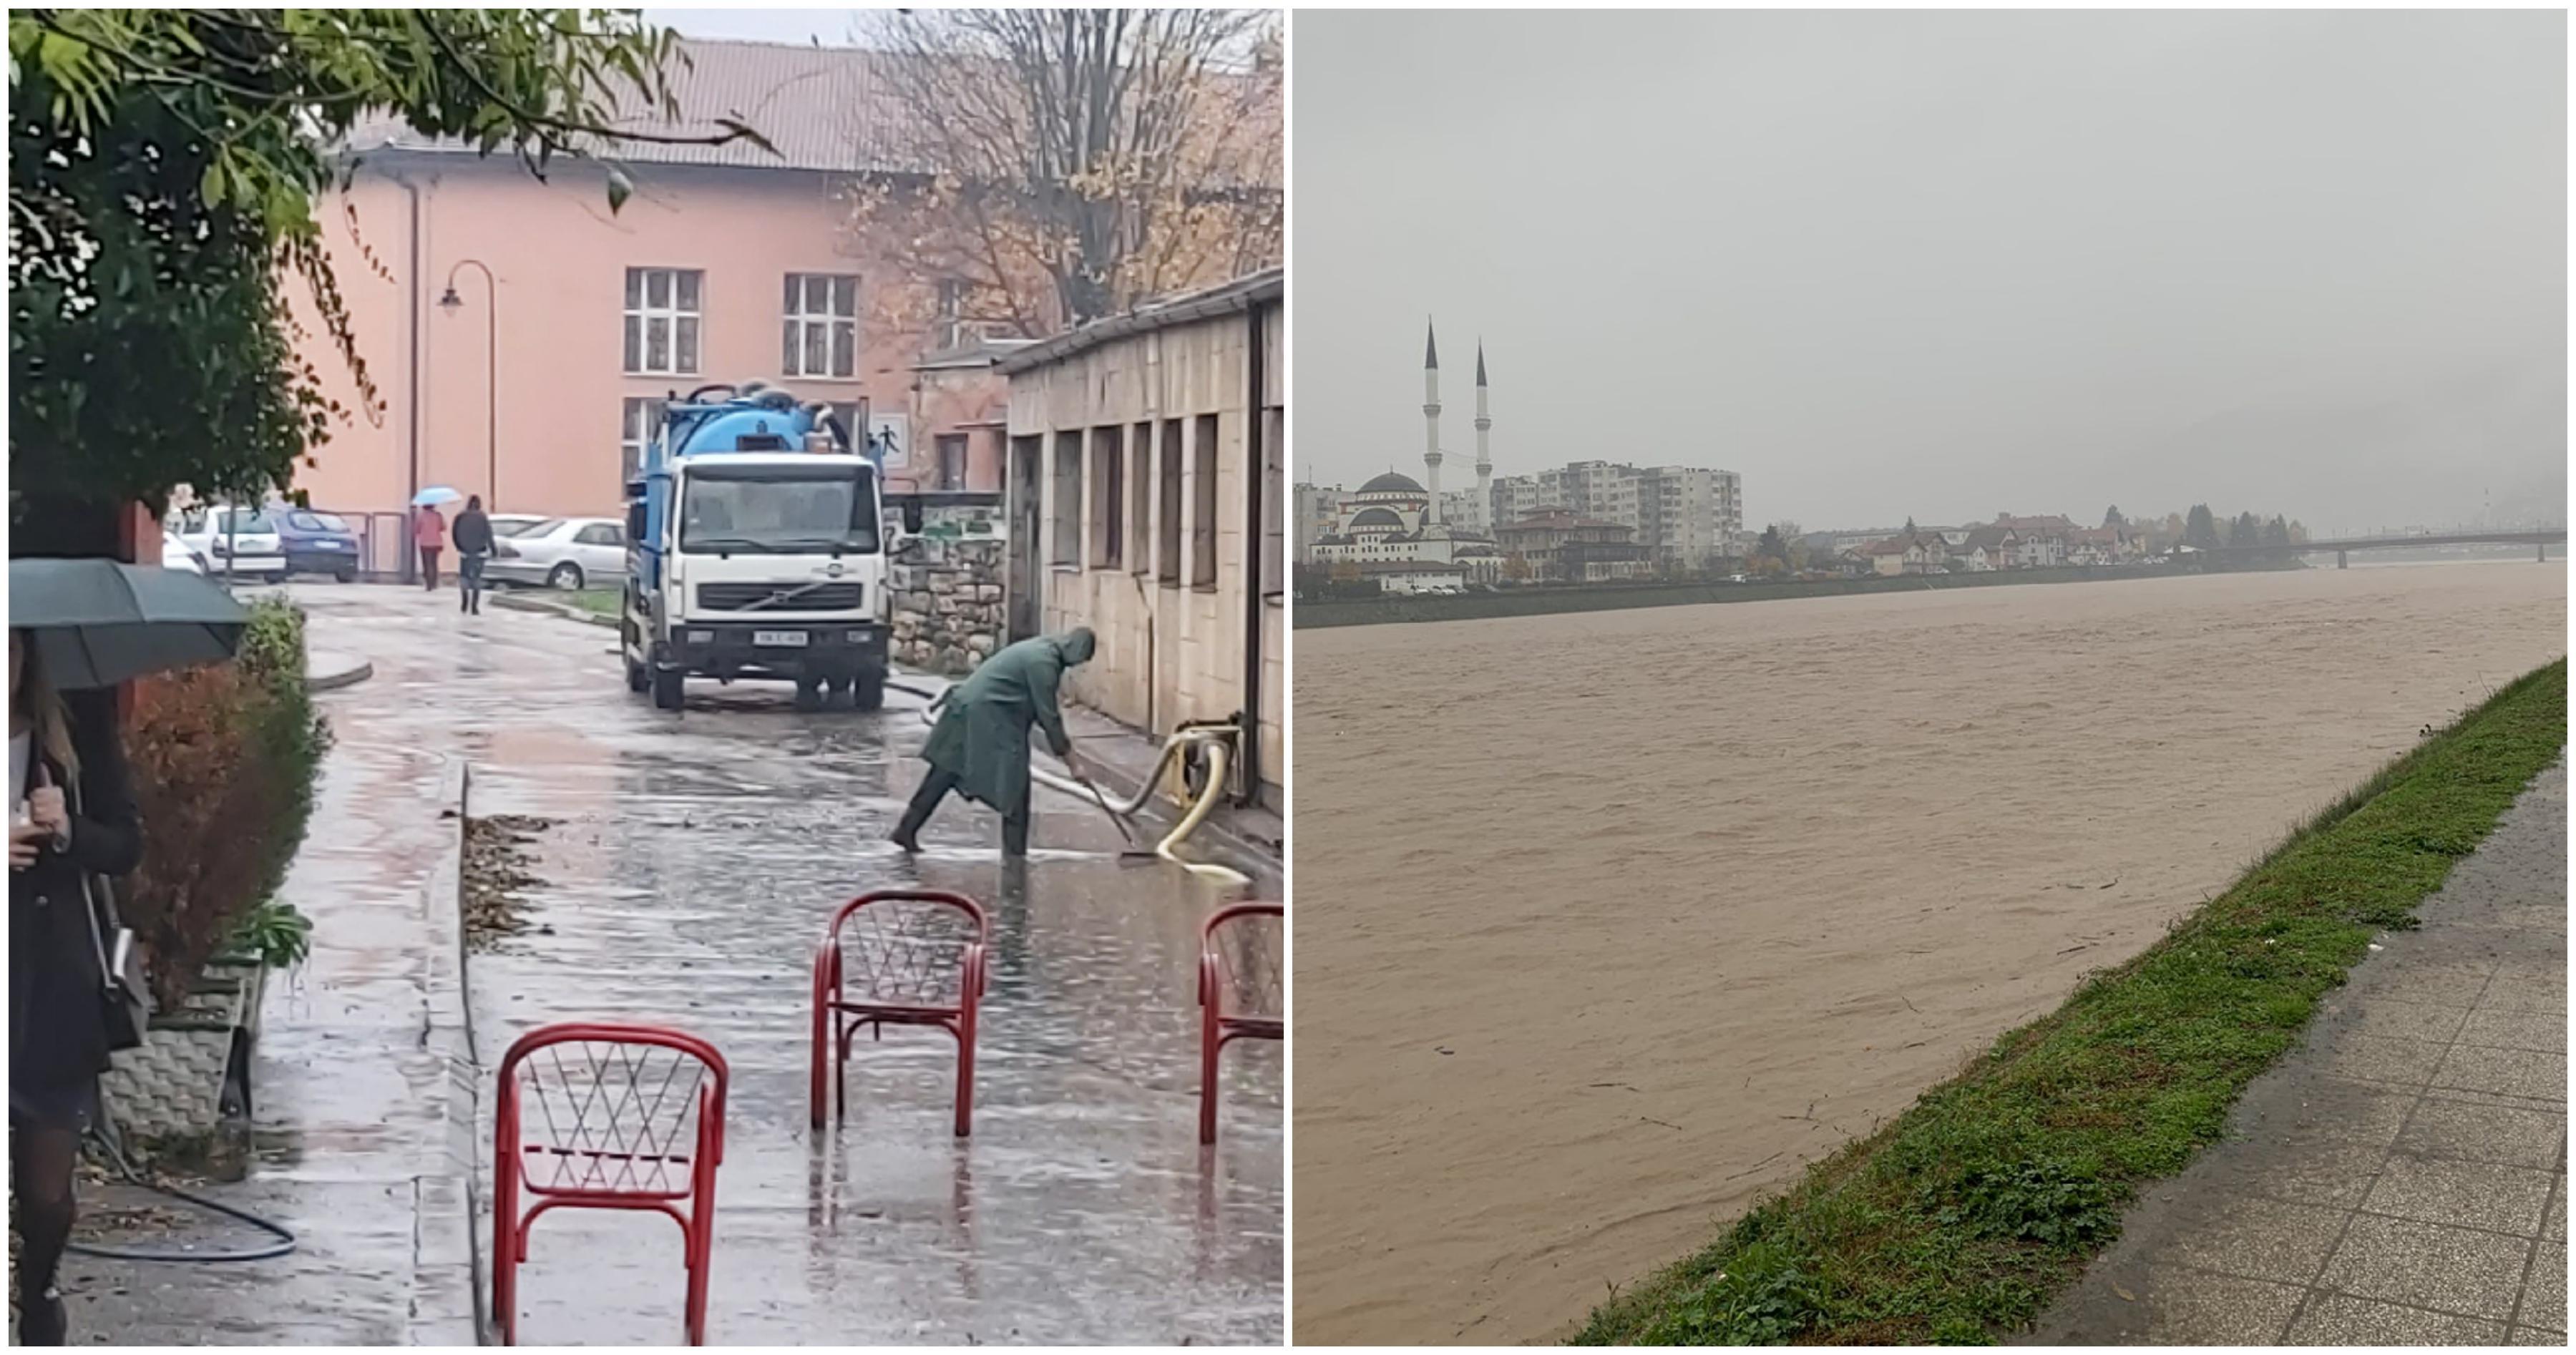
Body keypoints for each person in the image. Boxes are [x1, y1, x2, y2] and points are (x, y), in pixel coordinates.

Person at [9, 631, 142, 1346]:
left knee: (47, 1193)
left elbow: (126, 845)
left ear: (27, 654)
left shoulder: (73, 730)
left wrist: (68, 834)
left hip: (50, 982)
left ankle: (39, 1290)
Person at [893, 628, 1097, 857]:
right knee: (1014, 782)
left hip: (968, 706)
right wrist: (1073, 764)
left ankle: (907, 827)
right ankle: (1015, 856)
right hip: (989, 715)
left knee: (946, 770)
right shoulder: (1044, 663)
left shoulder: (1040, 648)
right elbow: (1049, 717)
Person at [453, 495, 494, 615]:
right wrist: (493, 549)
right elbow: (489, 534)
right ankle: (474, 606)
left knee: (464, 577)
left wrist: (459, 547)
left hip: (465, 552)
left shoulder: (460, 517)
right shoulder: (482, 517)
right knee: (476, 579)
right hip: (479, 552)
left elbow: (454, 533)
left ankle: (464, 601)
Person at [415, 502, 447, 591]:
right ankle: (434, 583)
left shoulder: (421, 516)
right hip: (437, 542)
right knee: (434, 563)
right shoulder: (438, 515)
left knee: (427, 563)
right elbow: (443, 528)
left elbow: (417, 529)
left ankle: (428, 584)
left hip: (425, 543)